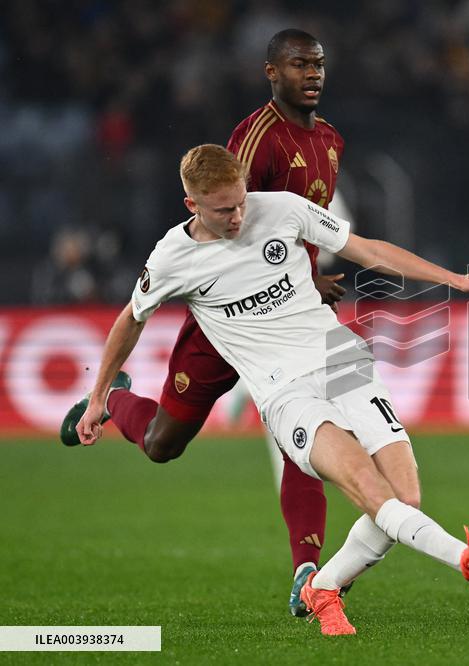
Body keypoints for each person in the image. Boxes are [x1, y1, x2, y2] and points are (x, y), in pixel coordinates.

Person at [72, 143, 469, 636]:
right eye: (224, 210)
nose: (239, 215)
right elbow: (131, 319)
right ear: (192, 206)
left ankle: (321, 587)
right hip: (285, 392)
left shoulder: (281, 208)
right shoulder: (173, 257)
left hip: (341, 358)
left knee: (405, 496)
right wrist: (97, 395)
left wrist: (455, 278)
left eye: (241, 201)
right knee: (368, 491)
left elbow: (366, 249)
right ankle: (464, 559)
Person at [59, 29, 346, 617]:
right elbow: (229, 220)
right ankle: (116, 401)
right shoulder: (255, 138)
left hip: (289, 319)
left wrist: (305, 281)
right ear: (271, 71)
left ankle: (308, 573)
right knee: (164, 444)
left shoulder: (333, 142)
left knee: (301, 440)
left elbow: (296, 229)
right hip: (227, 318)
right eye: (298, 65)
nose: (311, 74)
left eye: (317, 64)